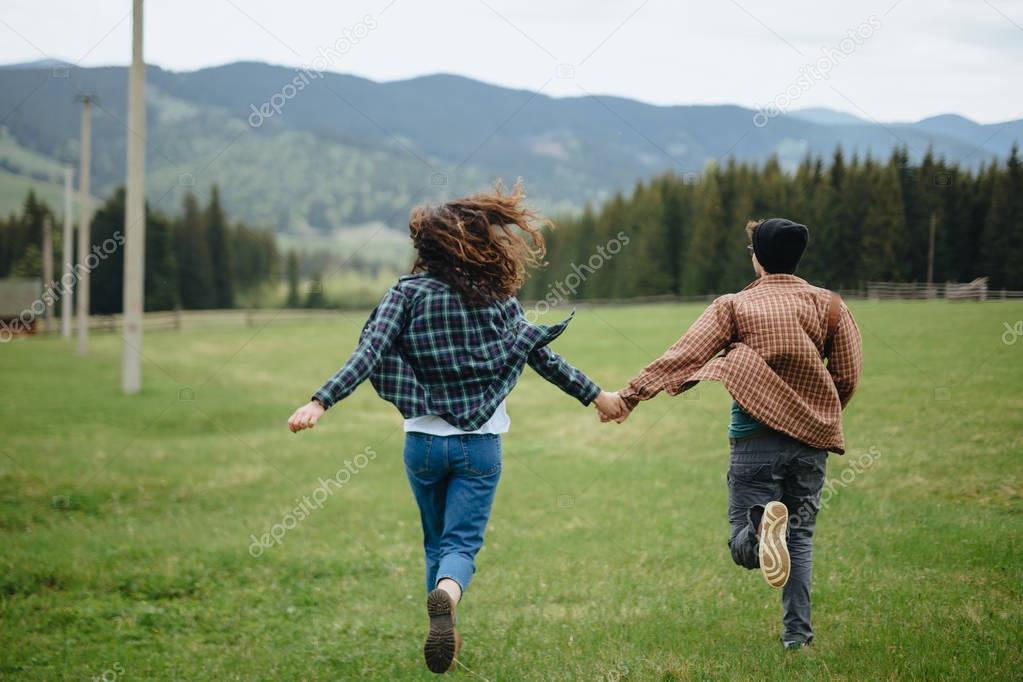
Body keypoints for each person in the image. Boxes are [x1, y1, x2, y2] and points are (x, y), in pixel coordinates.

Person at [287, 183, 626, 674]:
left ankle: (443, 621)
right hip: (481, 446)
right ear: (481, 243)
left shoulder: (406, 295)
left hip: (422, 444)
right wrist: (597, 395)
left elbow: (369, 353)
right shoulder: (498, 298)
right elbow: (541, 356)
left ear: (428, 247)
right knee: (460, 546)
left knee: (435, 541)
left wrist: (320, 401)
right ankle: (447, 595)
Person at [598, 218, 863, 649]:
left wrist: (630, 396)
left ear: (757, 258)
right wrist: (814, 413)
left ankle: (761, 527)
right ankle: (798, 638)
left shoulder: (734, 306)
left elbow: (683, 356)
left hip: (754, 442)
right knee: (800, 537)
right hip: (810, 444)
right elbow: (848, 376)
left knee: (743, 546)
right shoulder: (830, 305)